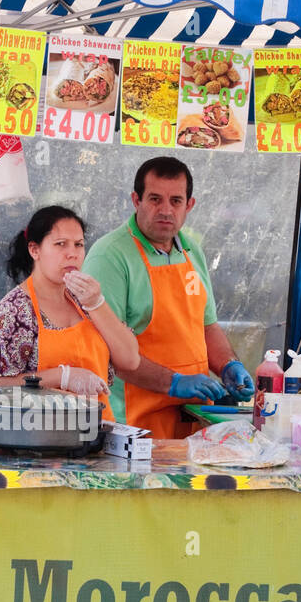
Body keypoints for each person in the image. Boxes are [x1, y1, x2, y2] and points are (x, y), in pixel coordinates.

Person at [82, 156, 255, 438]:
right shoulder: (110, 256)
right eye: (154, 199)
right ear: (136, 200)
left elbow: (206, 325)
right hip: (133, 426)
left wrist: (228, 365)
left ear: (189, 205)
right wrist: (174, 382)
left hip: (193, 420)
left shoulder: (191, 251)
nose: (165, 210)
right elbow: (106, 352)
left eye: (175, 201)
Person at [0, 205, 139, 421]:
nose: (72, 254)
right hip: (36, 441)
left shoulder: (84, 302)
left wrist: (97, 303)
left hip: (95, 438)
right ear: (35, 250)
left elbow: (130, 360)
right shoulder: (13, 312)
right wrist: (61, 377)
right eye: (60, 244)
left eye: (79, 245)